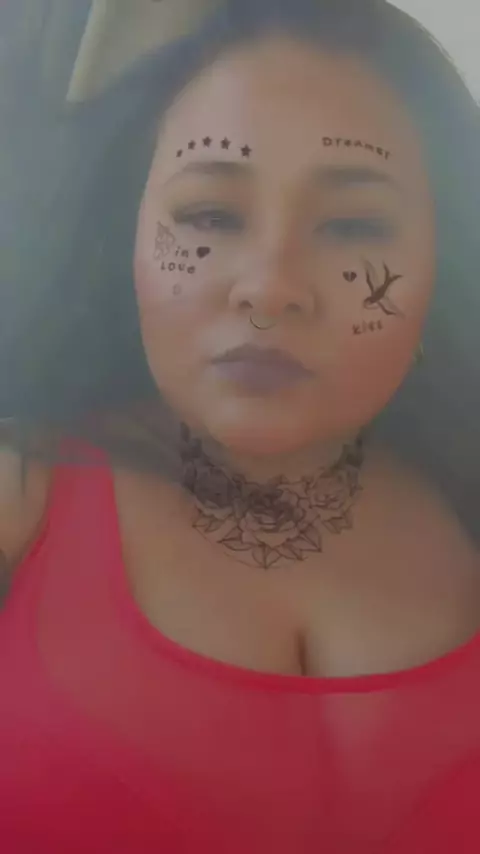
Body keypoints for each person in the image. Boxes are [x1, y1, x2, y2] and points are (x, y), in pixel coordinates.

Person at [1, 0, 480, 850]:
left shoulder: (466, 502)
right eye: (212, 216)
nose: (269, 286)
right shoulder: (22, 487)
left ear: (446, 263)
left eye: (352, 225)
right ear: (129, 237)